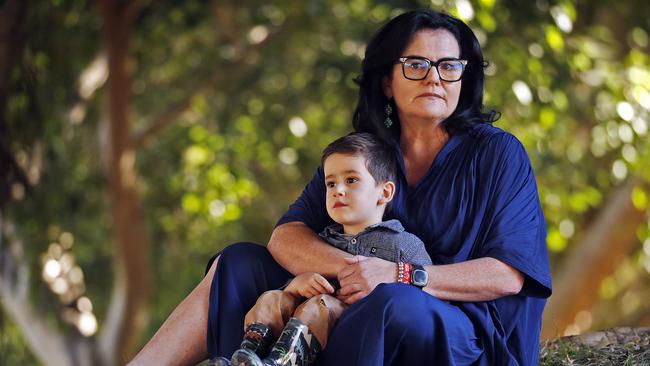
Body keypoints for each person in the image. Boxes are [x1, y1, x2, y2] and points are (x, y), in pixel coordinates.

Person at [129, 9, 551, 366]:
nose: (435, 78)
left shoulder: (498, 153)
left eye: (449, 66)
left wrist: (399, 275)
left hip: (469, 332)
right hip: (361, 303)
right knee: (239, 261)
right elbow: (288, 236)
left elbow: (508, 274)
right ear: (387, 81)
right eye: (417, 65)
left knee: (391, 301)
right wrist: (351, 272)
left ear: (464, 76)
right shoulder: (365, 152)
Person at [210, 133, 433, 366]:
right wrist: (296, 285)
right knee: (272, 298)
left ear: (385, 192)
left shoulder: (402, 244)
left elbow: (428, 297)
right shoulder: (322, 241)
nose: (338, 190)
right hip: (305, 319)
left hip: (355, 325)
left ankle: (280, 362)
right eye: (331, 183)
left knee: (319, 306)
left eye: (351, 180)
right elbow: (293, 290)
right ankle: (247, 354)